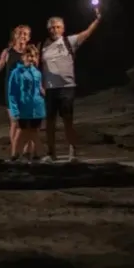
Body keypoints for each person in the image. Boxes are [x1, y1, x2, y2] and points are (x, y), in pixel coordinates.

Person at [40, 9, 102, 162]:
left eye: (58, 27)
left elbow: (86, 33)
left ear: (63, 28)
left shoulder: (69, 42)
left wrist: (97, 20)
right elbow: (37, 67)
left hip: (67, 87)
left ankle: (73, 152)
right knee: (50, 122)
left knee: (68, 120)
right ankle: (51, 153)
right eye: (52, 27)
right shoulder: (42, 46)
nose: (55, 30)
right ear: (48, 30)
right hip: (50, 89)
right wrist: (40, 85)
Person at [0, 25, 35, 156]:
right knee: (14, 122)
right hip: (12, 92)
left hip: (27, 92)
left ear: (29, 37)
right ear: (15, 35)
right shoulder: (7, 52)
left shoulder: (31, 51)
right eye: (20, 33)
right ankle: (14, 152)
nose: (22, 36)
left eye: (25, 34)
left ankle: (27, 151)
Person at [7, 45, 46, 161]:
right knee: (21, 131)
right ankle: (15, 155)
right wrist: (14, 110)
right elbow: (12, 93)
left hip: (36, 108)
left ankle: (37, 155)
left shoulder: (37, 72)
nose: (30, 58)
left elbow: (39, 88)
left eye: (33, 56)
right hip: (23, 108)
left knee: (34, 132)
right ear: (23, 57)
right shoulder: (16, 72)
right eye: (28, 56)